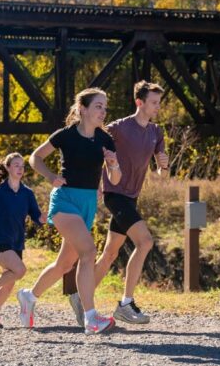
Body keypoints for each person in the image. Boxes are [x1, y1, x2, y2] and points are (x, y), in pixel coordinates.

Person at [16, 87, 121, 335]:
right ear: (83, 109)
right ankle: (91, 317)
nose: (103, 111)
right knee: (89, 252)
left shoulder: (105, 140)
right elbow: (35, 157)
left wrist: (114, 164)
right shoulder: (66, 135)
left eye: (105, 107)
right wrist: (51, 176)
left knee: (64, 264)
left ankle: (29, 296)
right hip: (64, 201)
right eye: (98, 106)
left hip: (87, 204)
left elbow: (116, 179)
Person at [67, 81, 168, 326]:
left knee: (110, 253)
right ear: (139, 102)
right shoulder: (119, 128)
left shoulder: (156, 132)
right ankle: (126, 304)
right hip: (115, 194)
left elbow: (161, 174)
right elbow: (92, 139)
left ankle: (80, 298)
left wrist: (164, 165)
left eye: (159, 102)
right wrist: (90, 179)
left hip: (132, 197)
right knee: (145, 242)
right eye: (153, 102)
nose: (157, 107)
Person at [0, 152, 45, 329]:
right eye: (16, 165)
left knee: (10, 279)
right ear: (7, 168)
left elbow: (36, 215)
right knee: (19, 270)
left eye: (22, 166)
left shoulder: (27, 193)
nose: (20, 169)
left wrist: (43, 218)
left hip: (16, 241)